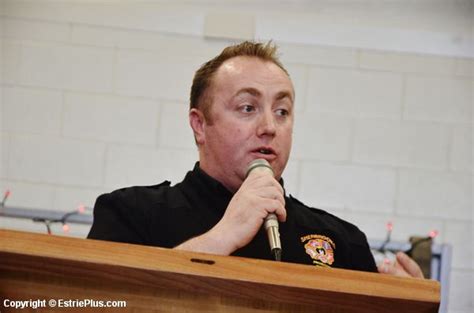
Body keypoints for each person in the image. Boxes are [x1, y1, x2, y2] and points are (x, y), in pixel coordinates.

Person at [88, 41, 423, 278]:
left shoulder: (342, 241)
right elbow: (99, 302)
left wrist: (407, 305)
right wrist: (223, 236)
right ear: (200, 124)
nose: (269, 127)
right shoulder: (131, 214)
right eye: (247, 108)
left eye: (282, 111)